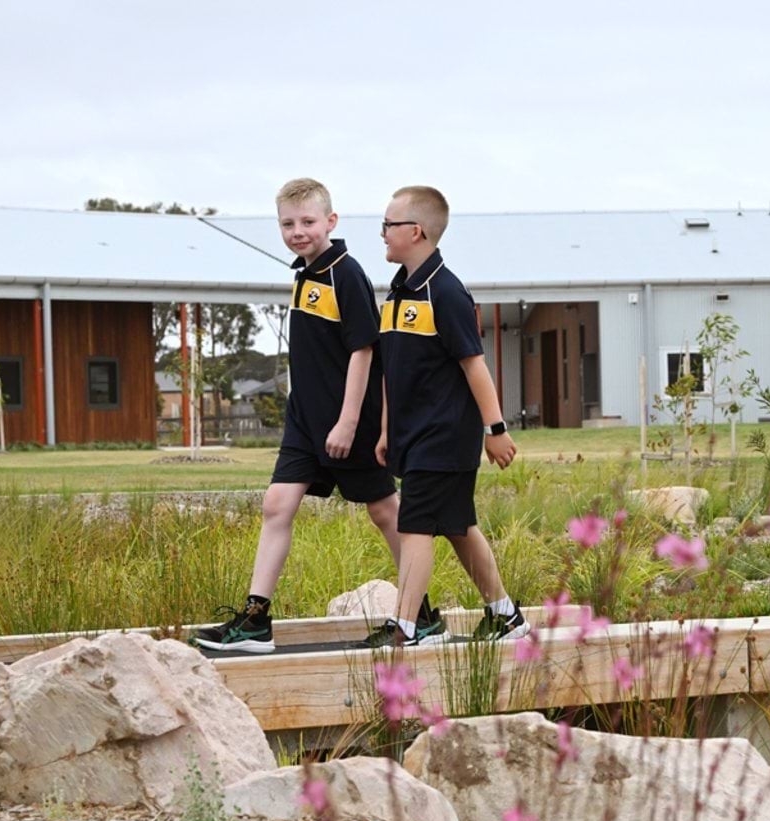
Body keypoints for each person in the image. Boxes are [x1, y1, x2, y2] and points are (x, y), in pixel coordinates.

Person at [194, 178, 440, 653]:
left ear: (330, 221)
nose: (297, 231)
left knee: (386, 512)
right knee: (276, 505)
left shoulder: (345, 274)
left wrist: (349, 421)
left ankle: (421, 615)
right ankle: (255, 619)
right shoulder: (304, 275)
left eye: (307, 222)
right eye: (288, 223)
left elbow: (365, 350)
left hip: (348, 422)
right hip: (305, 423)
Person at [357, 185, 526, 647]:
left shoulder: (446, 292)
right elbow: (392, 369)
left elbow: (475, 365)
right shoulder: (394, 294)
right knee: (456, 526)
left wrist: (496, 430)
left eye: (388, 226)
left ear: (416, 231)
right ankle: (506, 616)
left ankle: (407, 628)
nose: (383, 234)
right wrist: (387, 429)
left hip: (446, 435)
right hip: (411, 435)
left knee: (415, 524)